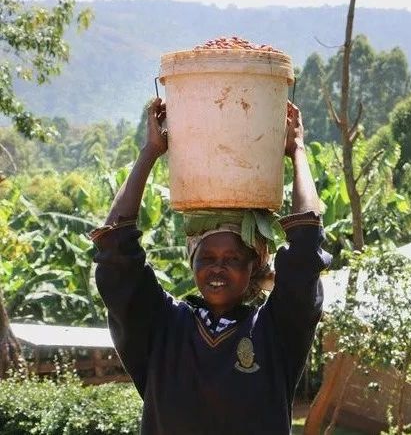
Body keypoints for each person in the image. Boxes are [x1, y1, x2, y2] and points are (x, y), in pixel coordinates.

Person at [90, 97, 332, 435]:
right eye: (207, 258)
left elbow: (305, 252)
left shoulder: (275, 332)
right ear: (192, 262)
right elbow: (115, 252)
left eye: (233, 259)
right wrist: (150, 152)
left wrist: (298, 151)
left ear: (254, 264)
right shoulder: (163, 328)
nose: (218, 269)